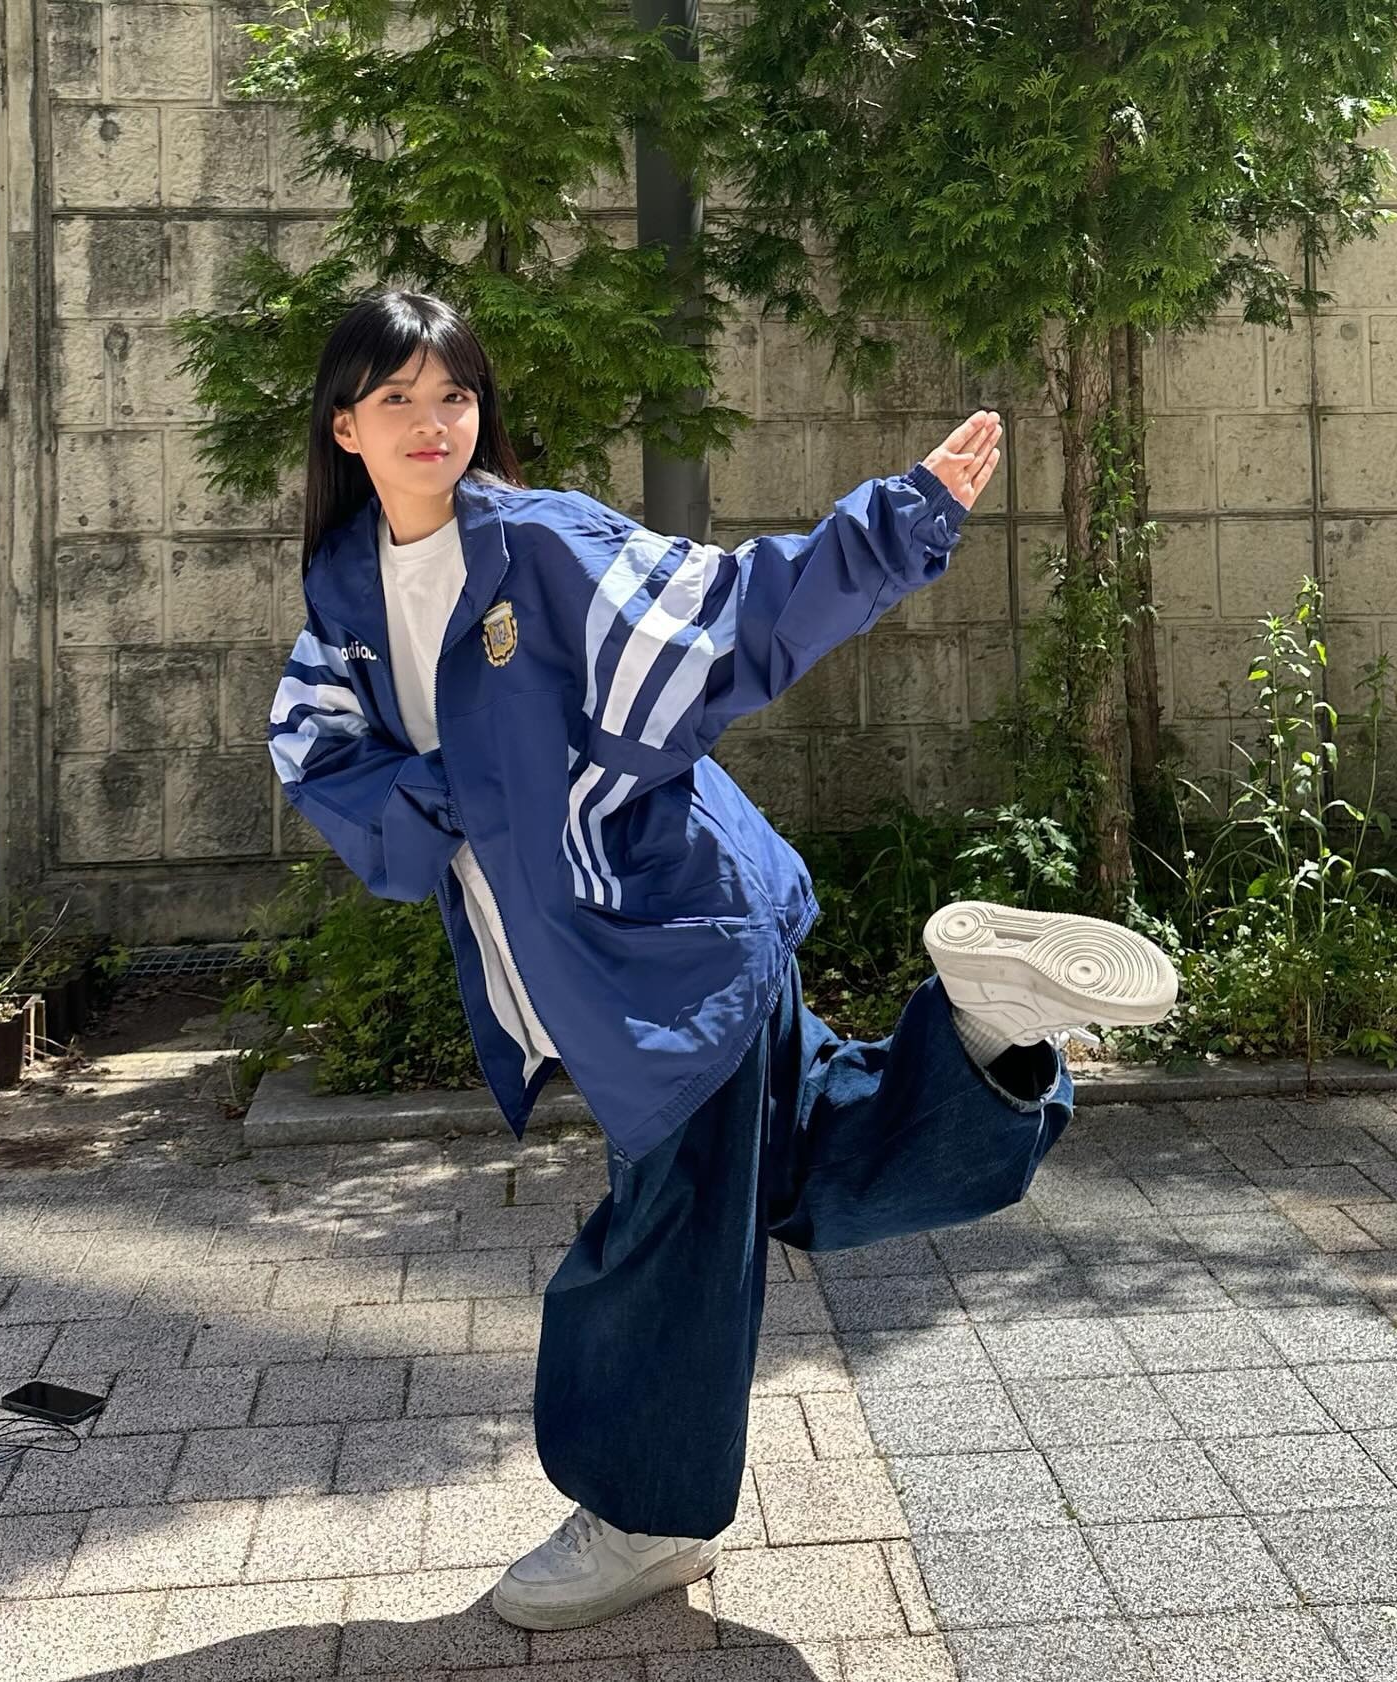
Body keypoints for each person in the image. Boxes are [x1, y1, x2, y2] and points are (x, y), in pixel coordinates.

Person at [267, 288, 1179, 1631]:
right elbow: (313, 749)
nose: (432, 422)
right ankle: (985, 1037)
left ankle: (647, 1517)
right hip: (618, 958)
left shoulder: (539, 547)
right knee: (796, 1167)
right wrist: (444, 791)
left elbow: (734, 612)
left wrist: (898, 521)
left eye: (453, 394)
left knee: (668, 1235)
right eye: (396, 398)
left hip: (668, 947)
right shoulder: (347, 592)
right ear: (344, 425)